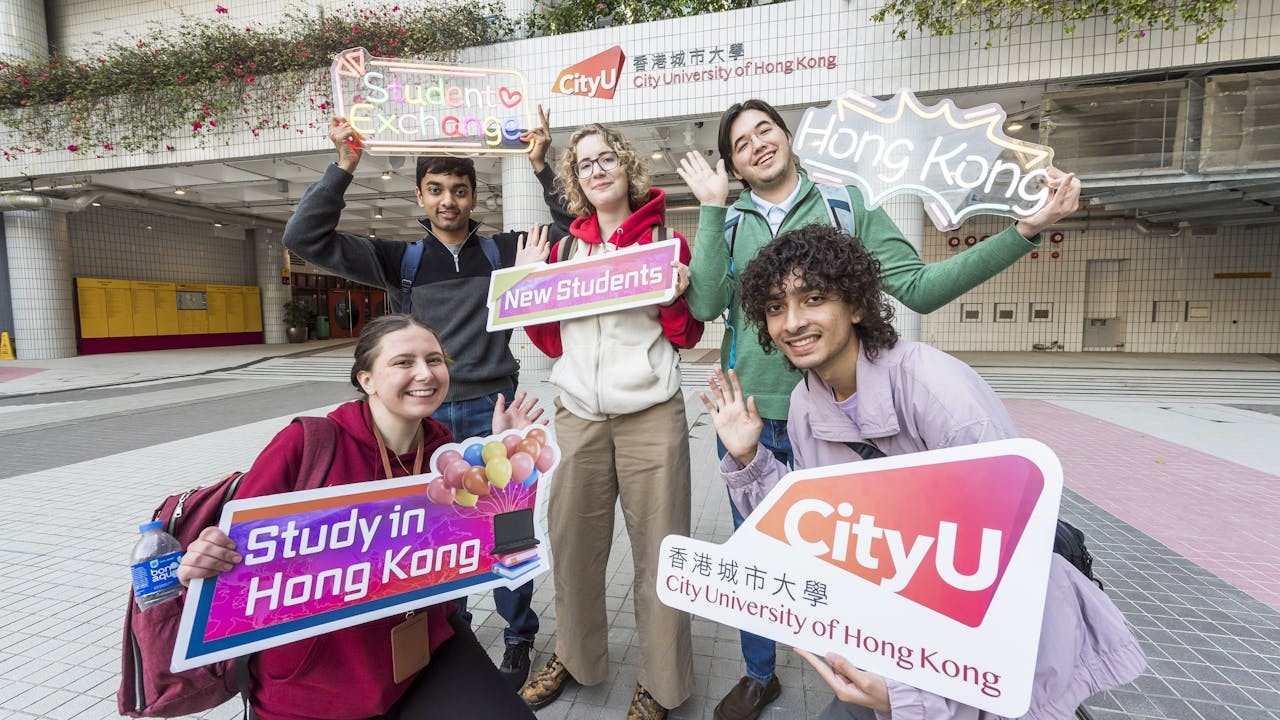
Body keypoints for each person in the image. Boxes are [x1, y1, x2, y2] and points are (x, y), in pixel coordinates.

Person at [676, 97, 1083, 720]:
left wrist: (1024, 230)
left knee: (865, 550)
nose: (756, 144)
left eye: (766, 130)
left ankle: (888, 668)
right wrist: (709, 211)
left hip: (844, 413)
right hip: (749, 417)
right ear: (732, 163)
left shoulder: (846, 206)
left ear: (787, 138)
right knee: (757, 552)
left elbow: (920, 286)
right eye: (740, 143)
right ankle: (761, 675)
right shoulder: (729, 224)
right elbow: (704, 305)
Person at [699, 225, 1146, 720]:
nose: (792, 322)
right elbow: (811, 530)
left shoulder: (934, 388)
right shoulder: (807, 403)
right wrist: (749, 458)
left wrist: (912, 697)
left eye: (814, 298)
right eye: (776, 307)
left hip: (998, 655)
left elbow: (1005, 566)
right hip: (902, 637)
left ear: (857, 305)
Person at [281, 107, 571, 689]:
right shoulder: (399, 259)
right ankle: (451, 631)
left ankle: (518, 640)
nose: (448, 201)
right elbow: (304, 238)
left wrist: (542, 166)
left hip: (495, 411)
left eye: (459, 191)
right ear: (419, 194)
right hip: (424, 416)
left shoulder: (502, 252)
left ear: (473, 195)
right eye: (436, 190)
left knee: (506, 530)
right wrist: (344, 165)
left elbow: (573, 229)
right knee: (438, 535)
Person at [176, 314, 548, 720]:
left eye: (434, 360)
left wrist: (507, 461)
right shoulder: (308, 444)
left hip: (421, 645)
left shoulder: (444, 449)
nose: (425, 373)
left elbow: (496, 545)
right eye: (403, 362)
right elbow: (233, 560)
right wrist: (203, 560)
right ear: (366, 379)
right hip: (315, 674)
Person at [517, 123, 702, 720]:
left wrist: (675, 298)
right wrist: (530, 288)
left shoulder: (665, 244)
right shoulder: (564, 250)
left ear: (626, 168)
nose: (597, 171)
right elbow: (550, 344)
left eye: (606, 160)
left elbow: (688, 335)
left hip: (651, 414)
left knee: (660, 553)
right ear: (575, 180)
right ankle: (576, 656)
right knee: (571, 546)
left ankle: (662, 683)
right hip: (578, 416)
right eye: (585, 164)